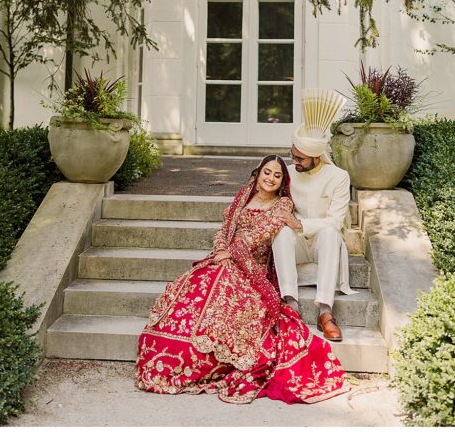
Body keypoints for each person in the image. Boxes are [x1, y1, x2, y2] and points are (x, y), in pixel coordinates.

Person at [135, 155, 348, 404]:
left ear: (282, 183)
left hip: (252, 266)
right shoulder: (242, 199)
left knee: (225, 299)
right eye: (267, 172)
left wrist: (231, 253)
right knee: (194, 286)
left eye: (277, 176)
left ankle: (204, 359)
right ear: (257, 176)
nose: (271, 178)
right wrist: (220, 251)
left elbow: (262, 234)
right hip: (225, 259)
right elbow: (224, 229)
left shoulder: (282, 205)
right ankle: (170, 351)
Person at [272, 88, 354, 342]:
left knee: (330, 232)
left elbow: (335, 221)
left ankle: (325, 312)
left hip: (322, 244)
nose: (294, 161)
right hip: (297, 243)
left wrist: (300, 223)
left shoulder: (339, 177)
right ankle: (291, 306)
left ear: (316, 157)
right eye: (292, 155)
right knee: (281, 231)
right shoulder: (287, 172)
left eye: (300, 158)